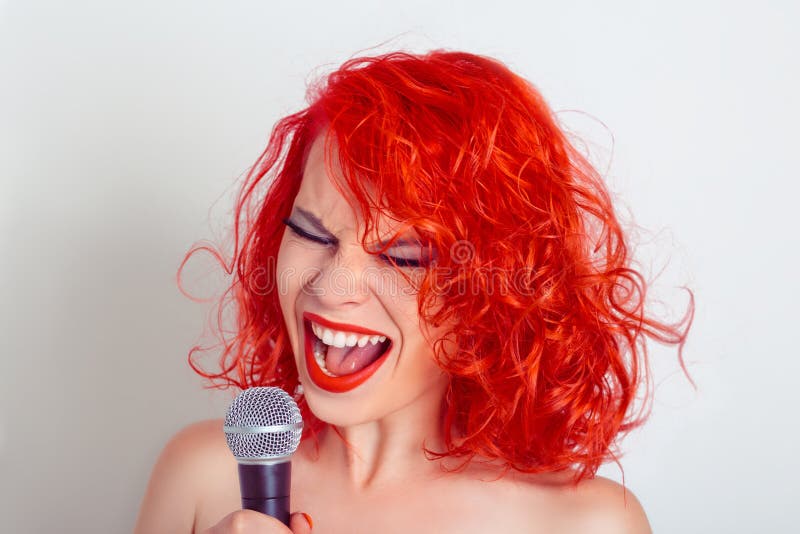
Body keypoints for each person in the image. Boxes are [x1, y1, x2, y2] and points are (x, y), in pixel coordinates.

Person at [135, 50, 693, 533]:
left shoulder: (586, 523)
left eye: (404, 257)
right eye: (310, 231)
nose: (331, 286)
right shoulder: (202, 474)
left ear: (492, 293)